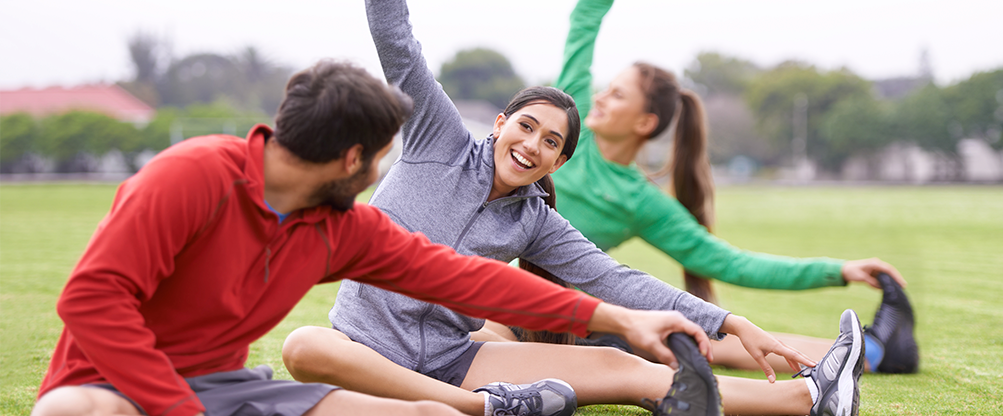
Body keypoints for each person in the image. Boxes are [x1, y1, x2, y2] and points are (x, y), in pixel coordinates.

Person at [28, 59, 718, 416]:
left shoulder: (340, 228)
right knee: (68, 409)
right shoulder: (190, 175)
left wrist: (617, 316)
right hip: (110, 387)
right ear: (354, 159)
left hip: (225, 391)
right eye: (384, 156)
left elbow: (469, 280)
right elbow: (91, 301)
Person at [279, 1, 865, 415]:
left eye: (551, 143)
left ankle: (812, 396)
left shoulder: (534, 219)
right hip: (364, 352)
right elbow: (397, 41)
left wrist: (733, 323)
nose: (532, 145)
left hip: (453, 359)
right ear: (502, 123)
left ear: (559, 162)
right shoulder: (440, 138)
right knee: (304, 346)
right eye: (526, 127)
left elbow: (617, 280)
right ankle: (481, 411)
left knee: (631, 372)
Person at [545, 0, 918, 374]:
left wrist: (840, 270)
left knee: (698, 340)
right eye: (607, 88)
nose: (599, 97)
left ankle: (873, 352)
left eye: (617, 94)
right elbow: (584, 21)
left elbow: (732, 264)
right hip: (510, 294)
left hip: (558, 319)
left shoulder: (640, 202)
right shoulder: (569, 121)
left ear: (644, 123)